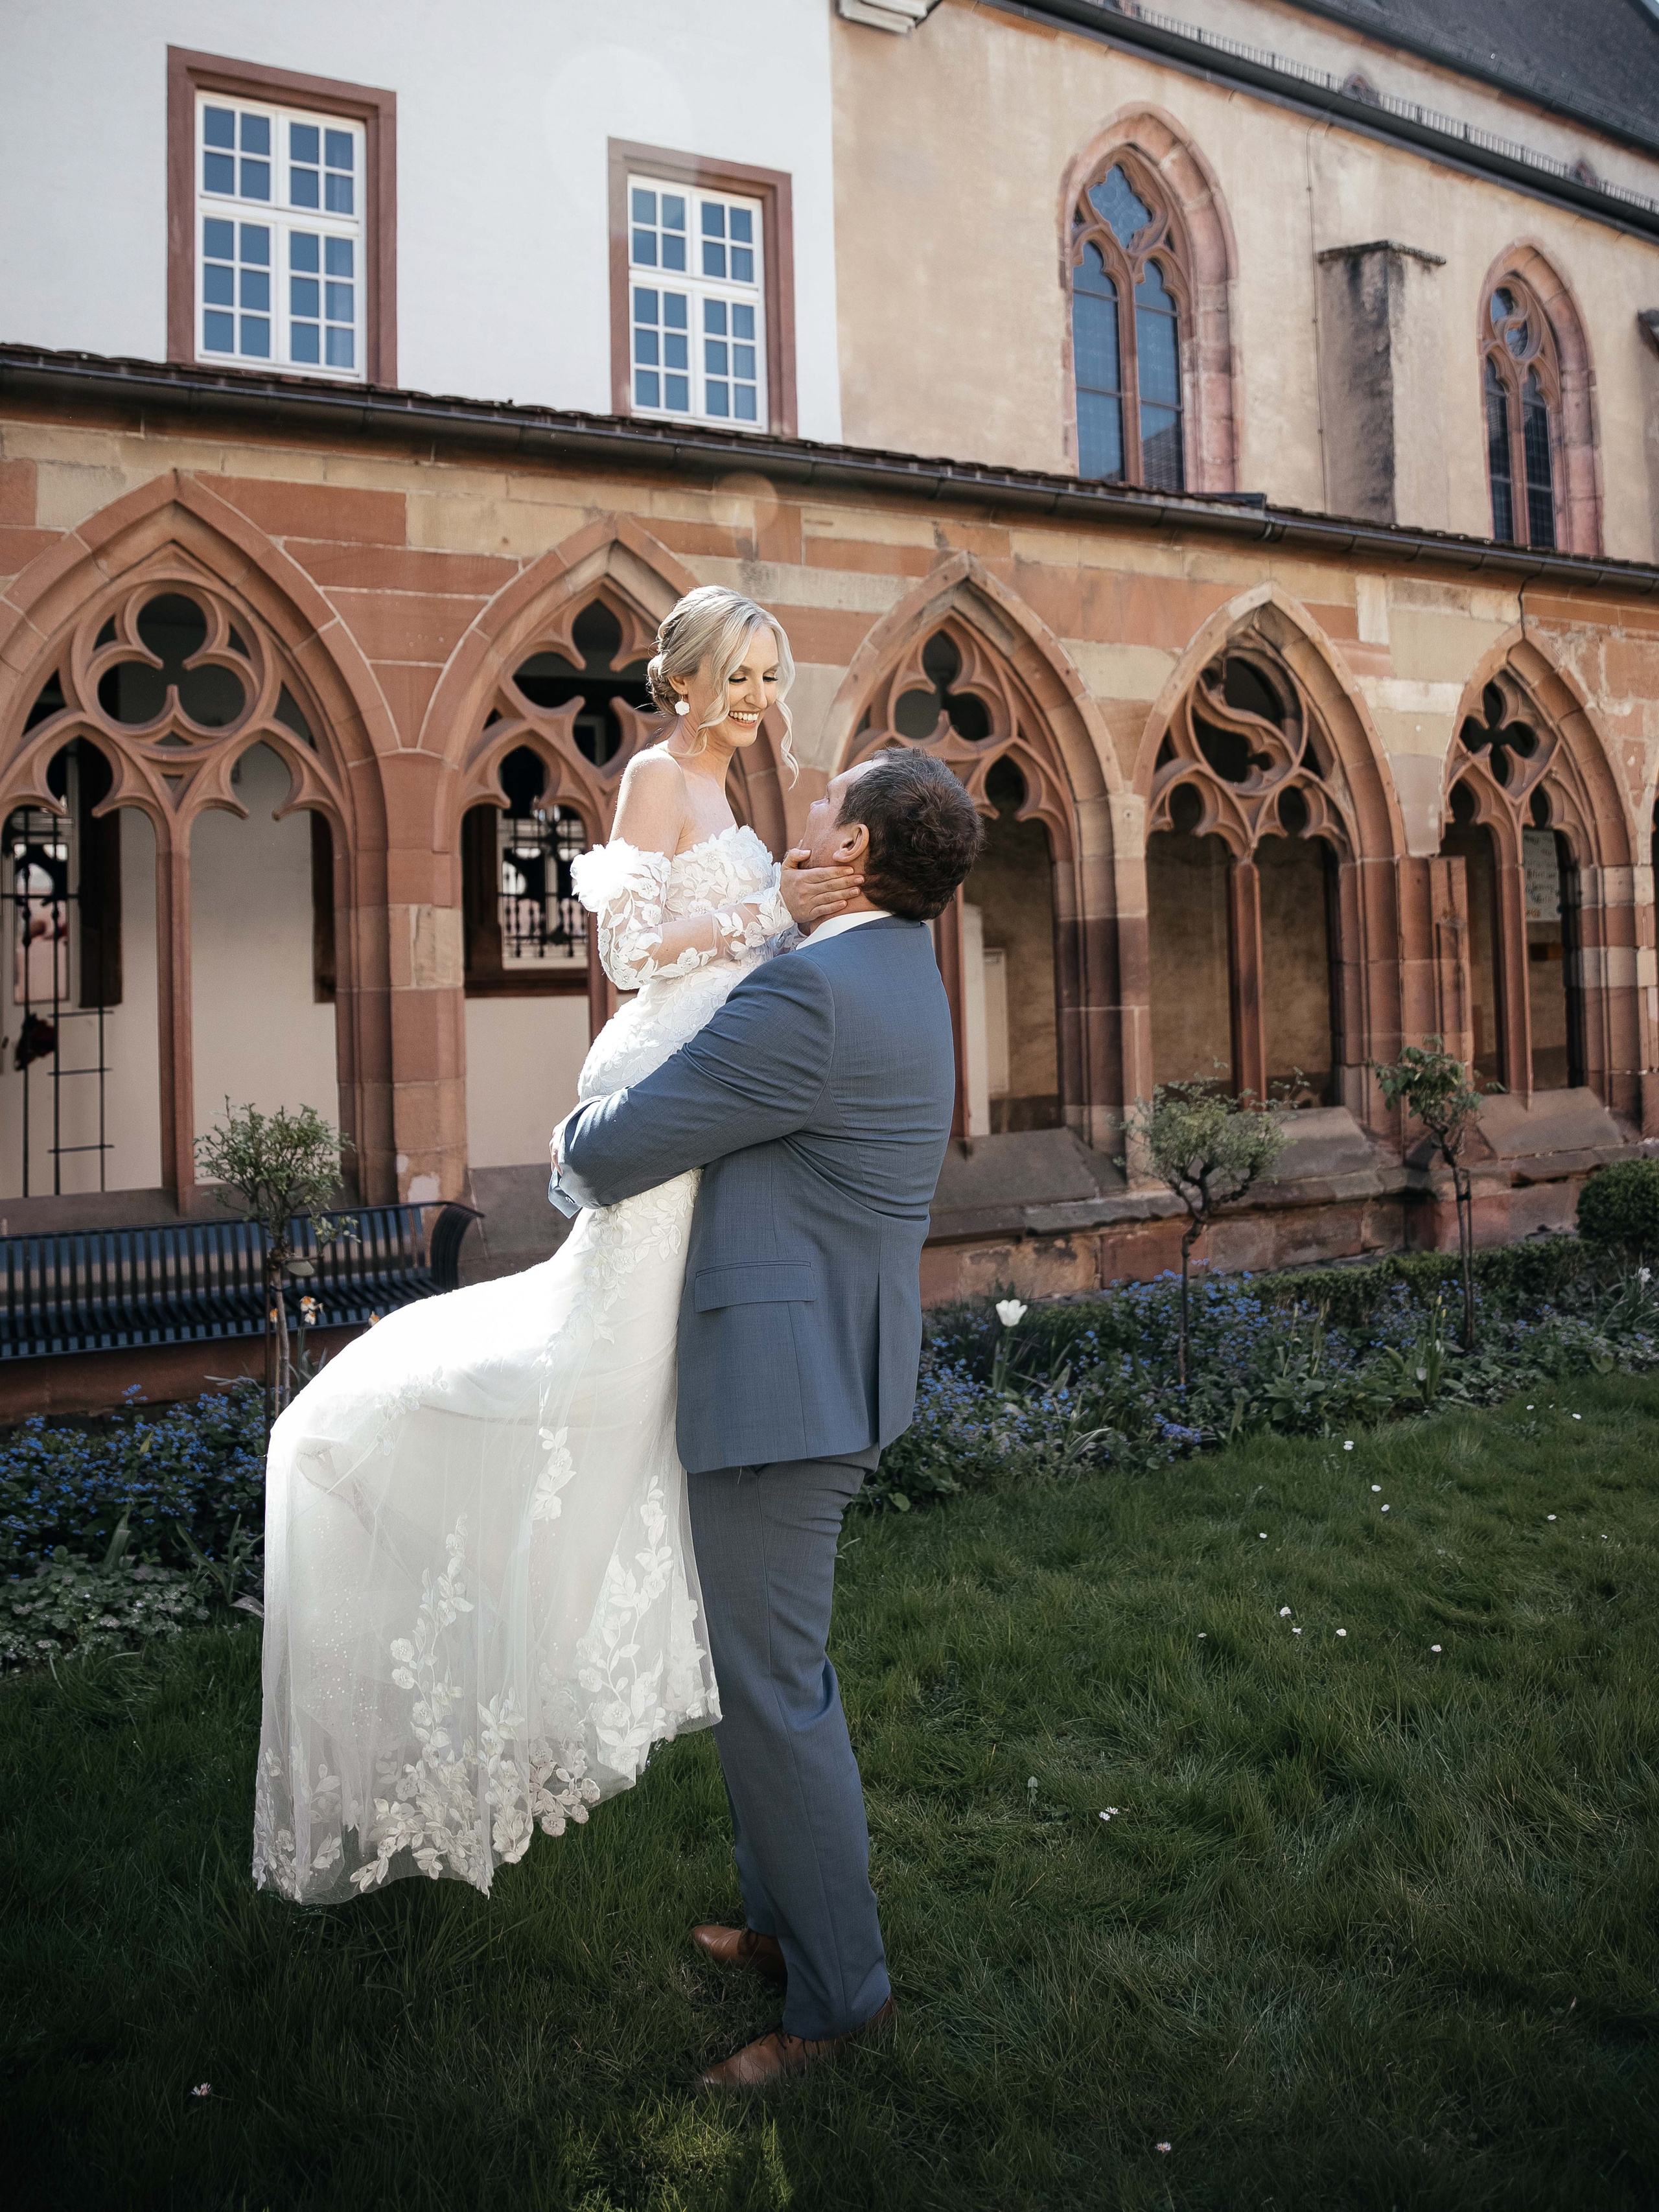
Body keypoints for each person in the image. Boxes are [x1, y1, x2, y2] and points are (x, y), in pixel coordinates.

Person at [253, 585, 859, 1903]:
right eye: (740, 678)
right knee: (596, 1358)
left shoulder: (735, 794)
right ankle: (411, 1471)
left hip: (717, 1082)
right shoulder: (654, 775)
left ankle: (593, 1616)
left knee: (637, 1371)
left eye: (772, 676)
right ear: (687, 681)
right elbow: (633, 947)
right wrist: (777, 912)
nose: (762, 700)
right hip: (662, 1071)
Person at [550, 743, 984, 2090]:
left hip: (781, 1398)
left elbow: (616, 1147)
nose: (798, 816)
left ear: (853, 853)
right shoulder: (891, 968)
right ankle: (785, 1923)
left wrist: (573, 1126)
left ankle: (840, 2001)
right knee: (768, 1678)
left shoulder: (808, 999)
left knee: (778, 1693)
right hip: (821, 1369)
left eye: (821, 808)